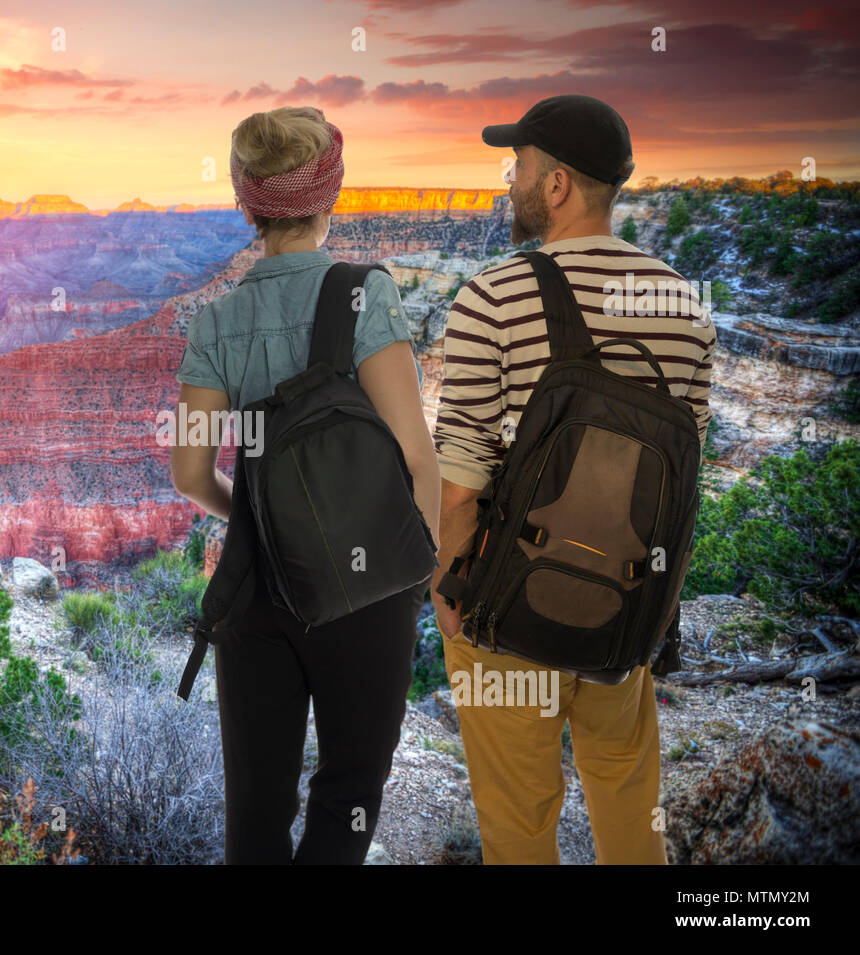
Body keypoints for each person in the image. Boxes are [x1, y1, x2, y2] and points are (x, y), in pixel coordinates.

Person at [431, 94, 717, 864]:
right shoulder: (687, 310)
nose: (509, 182)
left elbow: (460, 483)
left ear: (556, 184)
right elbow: (682, 494)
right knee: (627, 803)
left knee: (520, 825)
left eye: (517, 165)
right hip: (624, 608)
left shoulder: (492, 296)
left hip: (510, 610)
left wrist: (446, 597)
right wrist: (656, 615)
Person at [170, 105, 442, 864]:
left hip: (258, 590)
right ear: (332, 194)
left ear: (244, 201)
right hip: (369, 587)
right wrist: (416, 576)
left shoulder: (215, 321)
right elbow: (419, 458)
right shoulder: (366, 295)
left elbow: (190, 472)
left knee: (255, 809)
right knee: (350, 788)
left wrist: (253, 517)